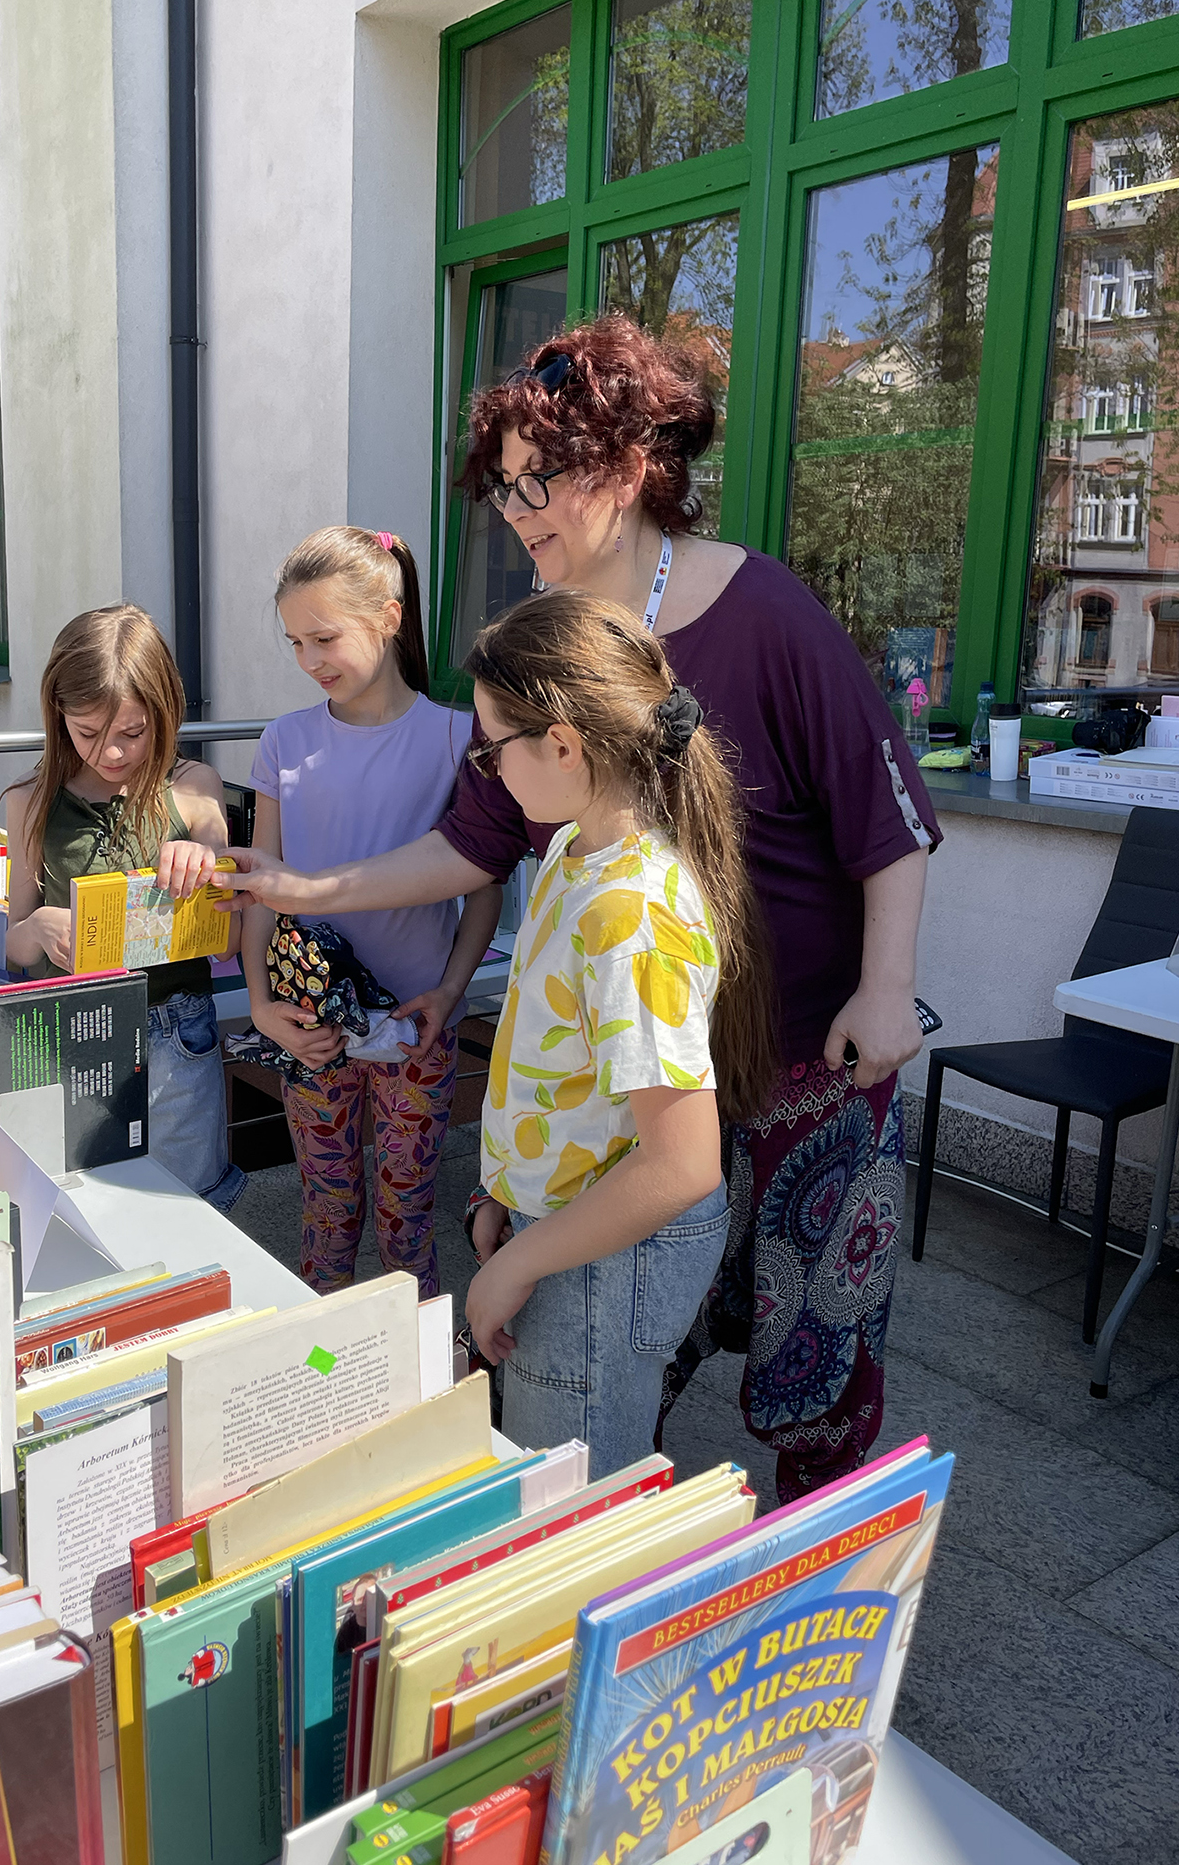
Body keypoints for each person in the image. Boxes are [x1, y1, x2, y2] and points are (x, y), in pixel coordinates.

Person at [215, 314, 941, 1502]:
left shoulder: (763, 610)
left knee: (817, 1345)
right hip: (636, 1063)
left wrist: (887, 982)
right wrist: (302, 887)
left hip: (810, 1042)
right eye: (503, 492)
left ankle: (823, 1570)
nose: (518, 514)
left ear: (624, 461)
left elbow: (886, 807)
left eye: (536, 480)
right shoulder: (548, 650)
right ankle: (608, 1525)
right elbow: (469, 838)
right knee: (618, 1330)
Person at [460, 588, 774, 1478]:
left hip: (606, 1259)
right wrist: (503, 1198)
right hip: (569, 1227)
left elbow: (680, 1163)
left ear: (561, 743)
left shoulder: (631, 913)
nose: (488, 767)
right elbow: (556, 1067)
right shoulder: (572, 852)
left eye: (493, 746)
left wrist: (517, 1264)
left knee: (571, 1496)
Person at [244, 527, 502, 1297]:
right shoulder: (284, 742)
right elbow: (263, 886)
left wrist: (452, 995)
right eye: (295, 642)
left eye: (324, 637)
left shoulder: (461, 737)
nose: (309, 660)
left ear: (389, 618)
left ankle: (412, 1389)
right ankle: (326, 1385)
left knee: (407, 1219)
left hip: (419, 1027)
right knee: (324, 1217)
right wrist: (261, 1007)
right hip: (310, 1024)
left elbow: (484, 888)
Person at [5, 603, 247, 1211]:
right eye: (86, 734)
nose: (109, 753)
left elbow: (230, 940)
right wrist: (37, 926)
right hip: (71, 1033)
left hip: (175, 1031)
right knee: (87, 1208)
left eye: (131, 735)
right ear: (57, 716)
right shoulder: (31, 804)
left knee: (187, 1211)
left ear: (163, 716)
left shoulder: (193, 788)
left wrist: (207, 864)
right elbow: (11, 948)